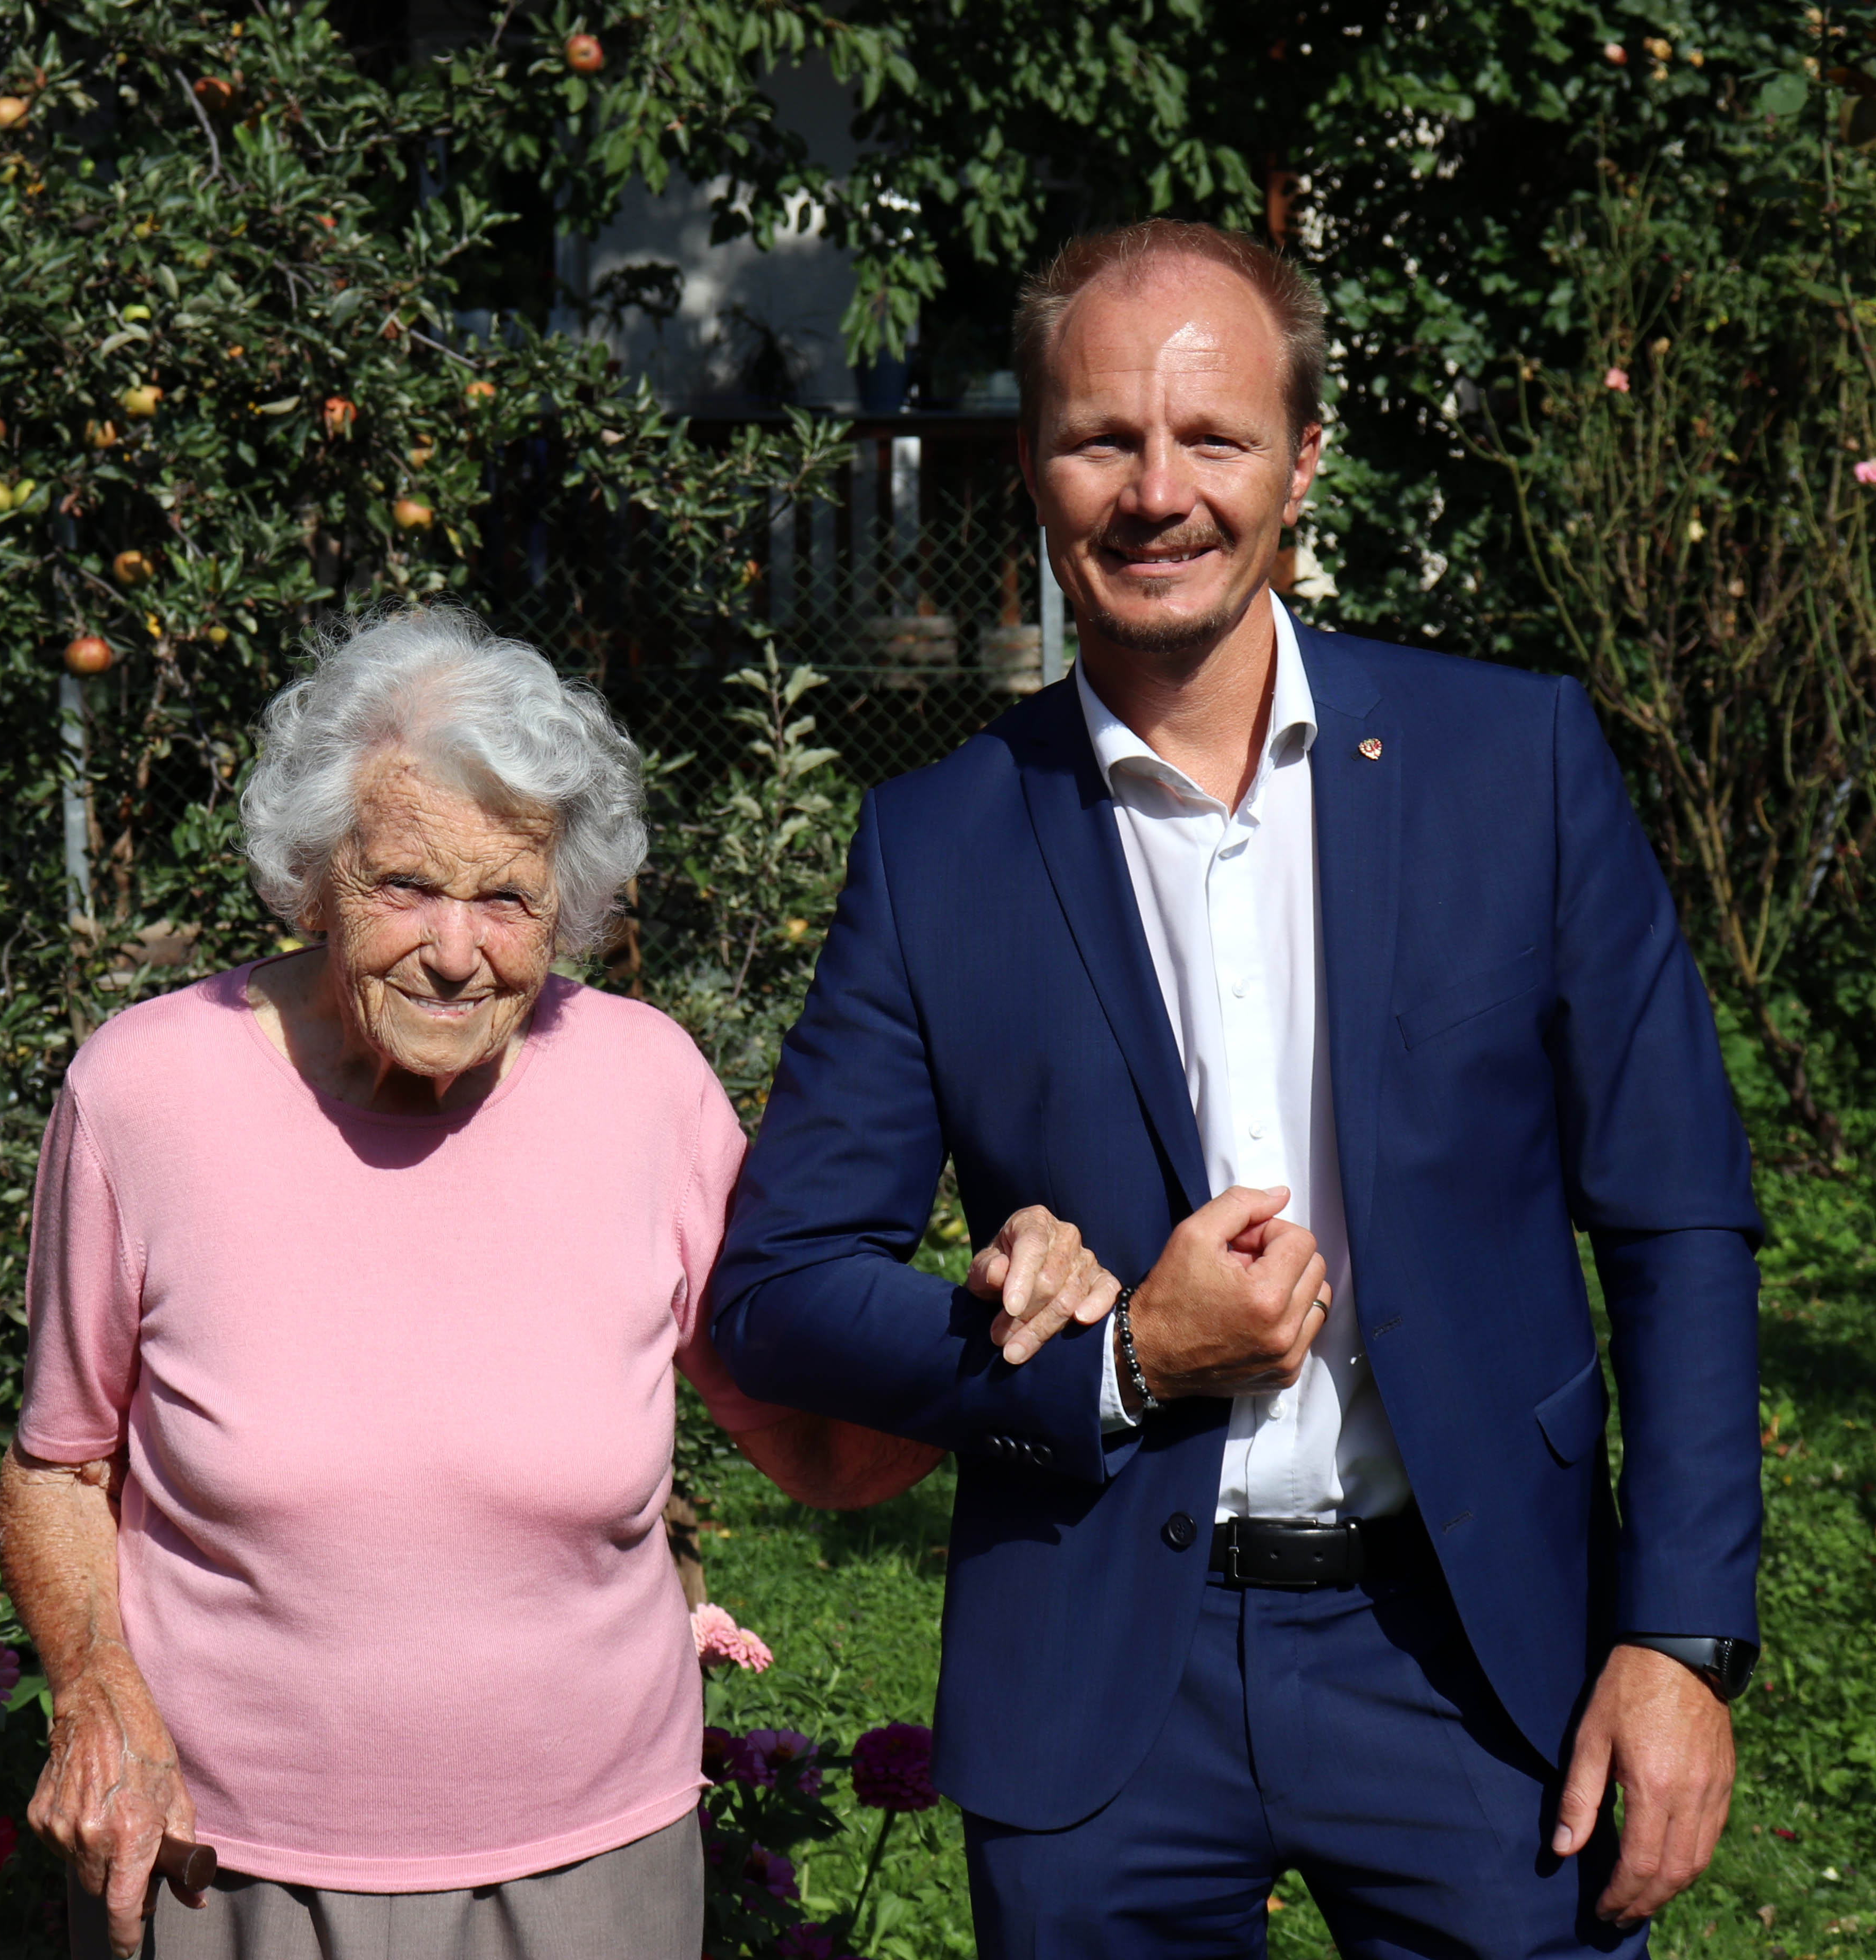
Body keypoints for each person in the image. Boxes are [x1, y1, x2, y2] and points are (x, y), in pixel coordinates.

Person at [713, 219, 1764, 1956]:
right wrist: (1118, 1362)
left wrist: (1681, 1636)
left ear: (1301, 461)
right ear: (1031, 463)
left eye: (1212, 437)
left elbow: (1679, 1217)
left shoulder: (1516, 764)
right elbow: (778, 1295)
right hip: (1107, 1672)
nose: (1156, 490)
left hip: (1478, 1654)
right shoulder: (938, 845)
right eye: (1098, 436)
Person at [0, 610, 937, 1960]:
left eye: (505, 897)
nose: (455, 948)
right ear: (317, 875)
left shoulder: (646, 1086)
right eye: (402, 886)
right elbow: (59, 1461)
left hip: (590, 1871)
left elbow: (802, 1431)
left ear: (570, 904)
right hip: (220, 1859)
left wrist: (1024, 1350)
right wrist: (96, 1695)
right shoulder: (146, 1090)